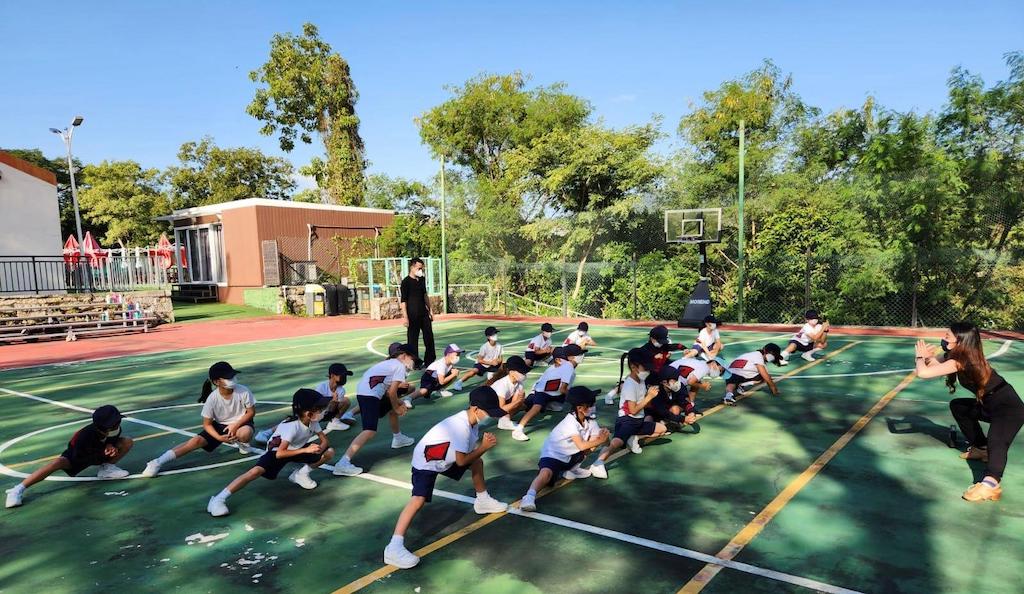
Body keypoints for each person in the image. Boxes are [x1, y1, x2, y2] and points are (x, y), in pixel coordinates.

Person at [382, 386, 510, 569]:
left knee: (477, 463)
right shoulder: (461, 427)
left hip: (442, 458)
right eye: (488, 412)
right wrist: (483, 447)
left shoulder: (471, 423)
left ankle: (483, 501)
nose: (490, 415)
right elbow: (460, 461)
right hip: (426, 463)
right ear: (475, 409)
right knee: (417, 500)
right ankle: (393, 547)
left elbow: (464, 457)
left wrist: (479, 450)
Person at [914, 322, 1024, 502]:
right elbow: (931, 367)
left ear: (960, 341)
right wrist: (924, 358)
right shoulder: (956, 355)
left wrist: (920, 357)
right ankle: (980, 448)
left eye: (948, 336)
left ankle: (991, 484)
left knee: (997, 443)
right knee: (959, 407)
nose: (944, 338)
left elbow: (923, 373)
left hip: (1008, 409)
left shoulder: (961, 360)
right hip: (989, 405)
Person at [206, 389, 335, 517]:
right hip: (276, 452)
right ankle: (218, 499)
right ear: (308, 413)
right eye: (320, 409)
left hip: (297, 448)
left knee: (329, 451)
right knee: (255, 472)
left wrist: (319, 449)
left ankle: (301, 475)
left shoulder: (313, 422)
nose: (324, 411)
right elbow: (280, 454)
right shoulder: (292, 427)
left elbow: (324, 440)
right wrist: (306, 450)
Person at [142, 361, 255, 477]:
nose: (233, 379)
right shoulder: (212, 399)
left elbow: (251, 412)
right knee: (194, 442)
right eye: (228, 377)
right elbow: (207, 425)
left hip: (241, 423)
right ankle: (157, 462)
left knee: (245, 433)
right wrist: (219, 437)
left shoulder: (243, 390)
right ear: (216, 382)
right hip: (220, 425)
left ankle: (243, 444)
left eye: (233, 376)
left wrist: (236, 425)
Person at [6, 405, 133, 508]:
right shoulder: (84, 436)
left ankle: (107, 469)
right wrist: (102, 452)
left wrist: (110, 445)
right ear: (104, 427)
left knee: (127, 441)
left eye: (118, 421)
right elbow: (81, 459)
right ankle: (18, 489)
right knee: (57, 463)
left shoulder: (115, 429)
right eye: (115, 422)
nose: (118, 423)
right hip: (77, 457)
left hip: (99, 453)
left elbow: (113, 438)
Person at [332, 343, 417, 477]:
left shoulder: (390, 363)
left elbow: (389, 393)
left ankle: (398, 438)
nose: (413, 362)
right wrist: (398, 407)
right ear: (405, 356)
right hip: (370, 395)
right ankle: (343, 463)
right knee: (369, 431)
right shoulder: (399, 366)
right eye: (413, 358)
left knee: (391, 409)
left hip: (367, 393)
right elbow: (393, 391)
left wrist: (398, 404)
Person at [520, 386, 610, 512]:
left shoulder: (591, 422)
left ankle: (572, 469)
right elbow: (582, 446)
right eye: (590, 404)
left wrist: (604, 437)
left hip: (570, 456)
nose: (593, 406)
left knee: (593, 443)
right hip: (553, 455)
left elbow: (601, 443)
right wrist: (600, 440)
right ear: (579, 408)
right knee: (546, 475)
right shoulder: (570, 422)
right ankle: (529, 497)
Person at [590, 349, 669, 479]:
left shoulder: (640, 380)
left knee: (662, 429)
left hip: (638, 421)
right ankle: (598, 463)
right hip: (627, 421)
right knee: (616, 442)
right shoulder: (629, 385)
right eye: (646, 368)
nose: (648, 371)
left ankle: (633, 437)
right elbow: (633, 410)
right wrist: (649, 397)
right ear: (633, 367)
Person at [512, 345, 582, 442]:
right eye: (579, 355)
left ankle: (507, 413)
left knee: (553, 406)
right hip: (543, 392)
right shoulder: (568, 367)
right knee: (535, 408)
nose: (582, 356)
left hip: (550, 393)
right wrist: (576, 399)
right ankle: (518, 430)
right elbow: (563, 389)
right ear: (570, 357)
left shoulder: (561, 366)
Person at [400, 257, 435, 368]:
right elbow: (403, 301)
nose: (421, 270)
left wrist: (430, 310)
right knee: (412, 340)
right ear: (412, 267)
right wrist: (405, 317)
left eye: (422, 269)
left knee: (429, 338)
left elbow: (425, 295)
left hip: (424, 314)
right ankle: (414, 362)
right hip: (412, 315)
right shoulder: (406, 282)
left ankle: (430, 360)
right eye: (419, 268)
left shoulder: (422, 280)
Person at [485, 355, 531, 430]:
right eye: (522, 372)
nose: (524, 374)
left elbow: (515, 403)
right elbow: (501, 408)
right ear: (512, 372)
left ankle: (505, 420)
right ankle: (503, 422)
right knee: (519, 403)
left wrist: (519, 402)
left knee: (521, 404)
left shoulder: (518, 383)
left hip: (497, 407)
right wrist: (518, 401)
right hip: (487, 408)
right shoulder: (503, 385)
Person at [316, 363, 357, 432]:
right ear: (332, 376)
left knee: (346, 401)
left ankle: (335, 422)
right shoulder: (321, 387)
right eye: (342, 375)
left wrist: (334, 402)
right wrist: (332, 400)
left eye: (345, 375)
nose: (344, 377)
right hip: (317, 414)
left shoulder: (341, 390)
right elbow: (316, 405)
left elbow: (332, 409)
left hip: (329, 412)